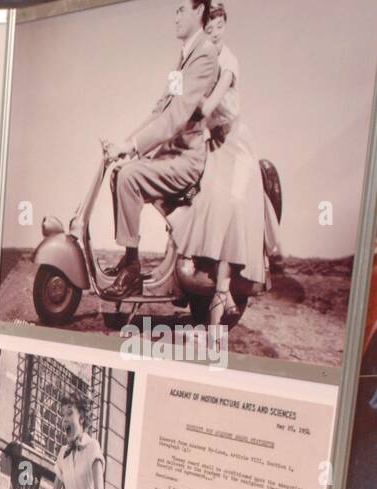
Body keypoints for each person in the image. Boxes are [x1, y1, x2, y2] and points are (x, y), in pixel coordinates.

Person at [100, 0, 219, 300]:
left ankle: (131, 274)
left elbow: (176, 117)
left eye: (181, 8)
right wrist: (125, 145)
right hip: (170, 153)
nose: (175, 15)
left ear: (199, 10)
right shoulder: (183, 57)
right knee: (119, 172)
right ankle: (129, 259)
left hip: (186, 160)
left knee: (128, 178)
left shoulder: (204, 56)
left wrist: (133, 146)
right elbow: (160, 109)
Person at [172, 3, 281, 327]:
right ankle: (180, 275)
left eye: (220, 24)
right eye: (209, 26)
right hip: (212, 144)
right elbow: (174, 91)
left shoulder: (228, 60)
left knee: (233, 201)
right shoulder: (195, 59)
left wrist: (187, 106)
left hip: (235, 144)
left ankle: (222, 290)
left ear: (225, 26)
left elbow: (211, 103)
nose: (215, 31)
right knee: (189, 198)